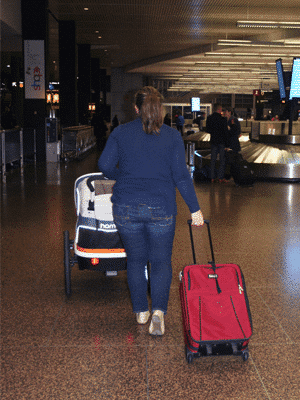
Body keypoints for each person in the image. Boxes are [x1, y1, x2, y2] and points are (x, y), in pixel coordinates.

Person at [98, 86, 204, 336]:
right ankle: (158, 312)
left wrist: (121, 175)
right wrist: (195, 209)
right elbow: (181, 176)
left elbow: (104, 165)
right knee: (160, 262)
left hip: (126, 207)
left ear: (136, 108)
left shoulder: (120, 132)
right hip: (161, 207)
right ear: (161, 110)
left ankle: (140, 312)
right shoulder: (171, 136)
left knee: (135, 260)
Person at [206, 103, 228, 183]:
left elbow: (207, 130)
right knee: (222, 160)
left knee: (213, 160)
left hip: (213, 141)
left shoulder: (209, 118)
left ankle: (212, 177)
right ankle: (220, 177)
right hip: (221, 142)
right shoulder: (223, 119)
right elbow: (225, 132)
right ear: (219, 109)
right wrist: (227, 143)